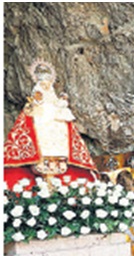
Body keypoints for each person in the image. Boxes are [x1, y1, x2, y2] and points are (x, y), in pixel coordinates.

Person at [4, 59, 97, 188]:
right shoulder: (37, 92)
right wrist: (36, 102)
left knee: (59, 139)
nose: (46, 86)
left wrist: (62, 101)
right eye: (43, 83)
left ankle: (57, 161)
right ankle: (44, 163)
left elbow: (58, 104)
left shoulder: (52, 95)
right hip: (41, 121)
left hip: (55, 126)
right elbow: (33, 106)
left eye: (48, 83)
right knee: (42, 144)